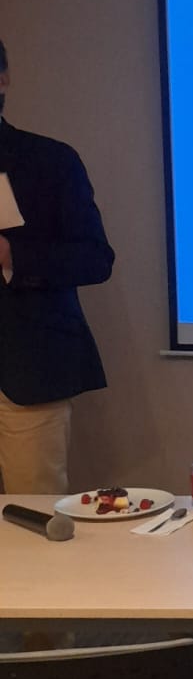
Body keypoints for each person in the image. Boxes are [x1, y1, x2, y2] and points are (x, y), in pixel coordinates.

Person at [0, 37, 114, 494]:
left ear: (3, 79)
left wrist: (11, 256)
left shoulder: (48, 161)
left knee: (32, 511)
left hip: (25, 369)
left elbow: (95, 258)